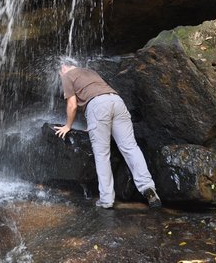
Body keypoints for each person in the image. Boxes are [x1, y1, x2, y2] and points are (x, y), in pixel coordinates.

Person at [55, 60, 161, 209]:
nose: (60, 76)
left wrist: (67, 126)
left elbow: (72, 105)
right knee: (130, 147)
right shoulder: (90, 72)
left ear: (64, 67)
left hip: (98, 108)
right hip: (116, 101)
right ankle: (148, 188)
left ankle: (106, 200)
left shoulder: (67, 75)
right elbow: (98, 94)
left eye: (60, 73)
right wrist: (92, 125)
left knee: (102, 154)